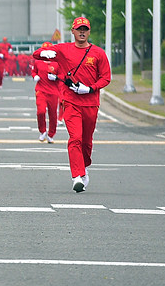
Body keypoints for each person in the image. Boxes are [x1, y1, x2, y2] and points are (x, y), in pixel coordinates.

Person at [34, 17, 110, 192]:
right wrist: (43, 54)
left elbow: (106, 77)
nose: (82, 32)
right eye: (79, 29)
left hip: (90, 103)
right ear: (73, 31)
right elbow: (37, 55)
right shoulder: (63, 49)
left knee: (86, 142)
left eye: (85, 29)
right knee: (75, 138)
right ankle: (77, 176)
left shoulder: (98, 53)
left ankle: (84, 169)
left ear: (89, 32)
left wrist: (90, 89)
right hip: (71, 102)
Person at [31, 41, 61, 144]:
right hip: (41, 90)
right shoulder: (38, 62)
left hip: (53, 92)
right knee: (41, 111)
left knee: (53, 114)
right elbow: (33, 71)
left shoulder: (57, 63)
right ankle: (42, 131)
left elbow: (63, 76)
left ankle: (51, 134)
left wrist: (56, 77)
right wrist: (35, 76)